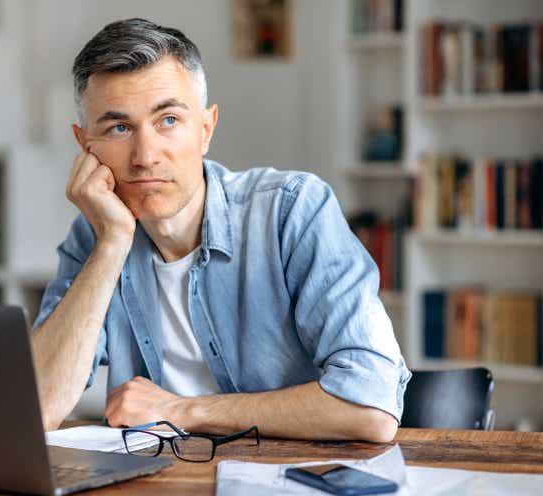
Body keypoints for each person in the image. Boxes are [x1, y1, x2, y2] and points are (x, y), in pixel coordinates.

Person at [31, 18, 410, 443]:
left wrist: (183, 411)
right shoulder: (96, 235)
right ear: (86, 146)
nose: (145, 156)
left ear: (206, 129)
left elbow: (372, 406)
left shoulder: (292, 211)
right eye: (119, 128)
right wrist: (112, 243)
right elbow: (36, 409)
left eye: (168, 120)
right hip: (161, 481)